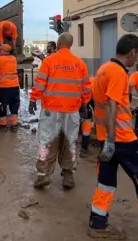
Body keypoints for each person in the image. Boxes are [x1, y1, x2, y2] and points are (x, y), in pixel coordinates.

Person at [87, 34, 138, 240]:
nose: (136, 57)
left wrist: (106, 139)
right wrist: (113, 141)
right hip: (121, 139)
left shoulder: (103, 69)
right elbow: (111, 105)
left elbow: (105, 103)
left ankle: (97, 222)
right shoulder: (118, 72)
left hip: (107, 138)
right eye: (137, 53)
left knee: (106, 181)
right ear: (132, 52)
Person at [28, 33, 91, 190]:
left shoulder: (50, 61)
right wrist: (84, 104)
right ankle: (68, 176)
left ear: (58, 43)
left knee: (46, 142)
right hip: (71, 112)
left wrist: (32, 99)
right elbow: (85, 88)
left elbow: (40, 82)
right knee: (69, 143)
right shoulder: (79, 63)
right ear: (70, 45)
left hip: (51, 111)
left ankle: (43, 176)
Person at [0, 44, 20, 132]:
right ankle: (14, 125)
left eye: (0, 50)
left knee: (2, 105)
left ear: (4, 51)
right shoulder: (13, 58)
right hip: (15, 86)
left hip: (4, 87)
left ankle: (3, 125)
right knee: (14, 105)